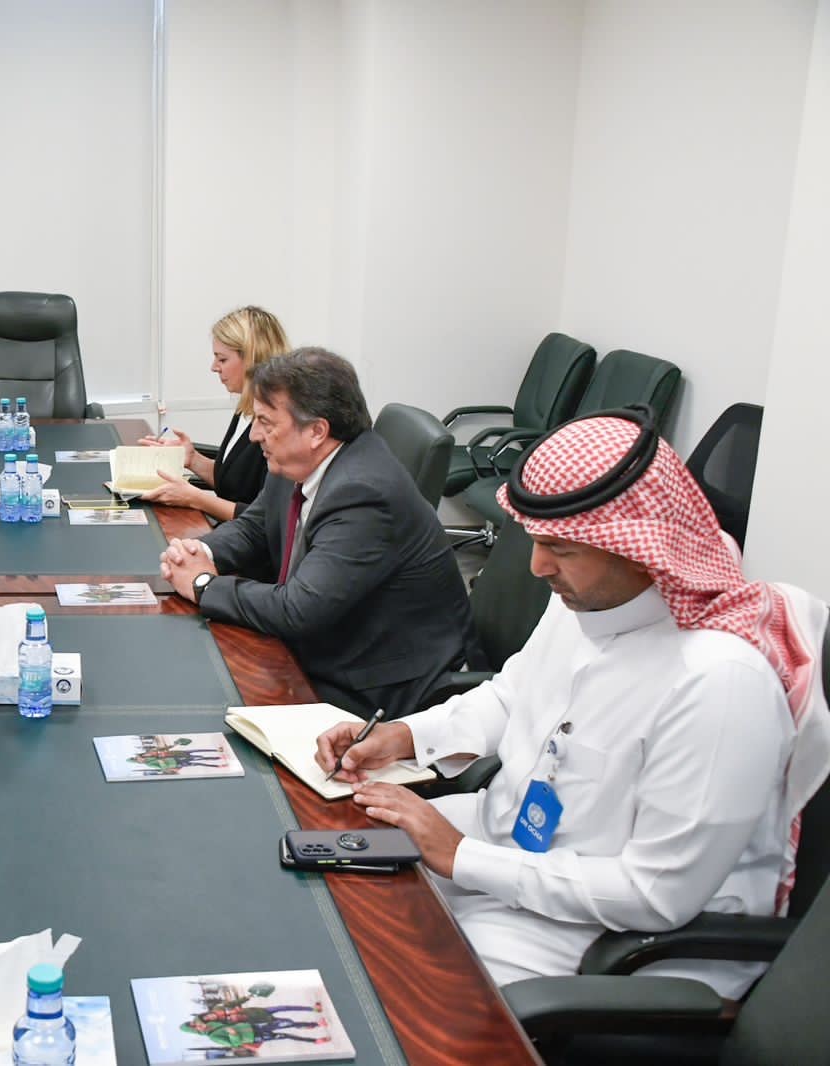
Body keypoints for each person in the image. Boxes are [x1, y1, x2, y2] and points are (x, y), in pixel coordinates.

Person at [317, 406, 829, 995]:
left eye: (560, 548)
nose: (537, 567)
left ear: (638, 547)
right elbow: (512, 696)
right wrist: (406, 737)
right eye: (536, 542)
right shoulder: (586, 600)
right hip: (505, 846)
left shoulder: (719, 683)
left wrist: (461, 857)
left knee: (398, 995)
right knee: (332, 866)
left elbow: (654, 894)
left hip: (605, 936)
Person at [159, 348, 473, 719]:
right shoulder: (297, 461)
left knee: (201, 707)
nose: (256, 435)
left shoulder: (363, 493)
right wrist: (197, 553)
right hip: (326, 645)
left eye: (266, 422)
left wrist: (203, 586)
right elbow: (256, 526)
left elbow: (298, 609)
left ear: (316, 431)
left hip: (376, 687)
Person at [138, 306, 287, 522]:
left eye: (222, 359)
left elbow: (264, 521)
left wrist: (195, 499)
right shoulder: (246, 408)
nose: (214, 367)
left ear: (251, 360)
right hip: (232, 532)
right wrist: (192, 459)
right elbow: (233, 485)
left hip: (246, 538)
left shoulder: (278, 425)